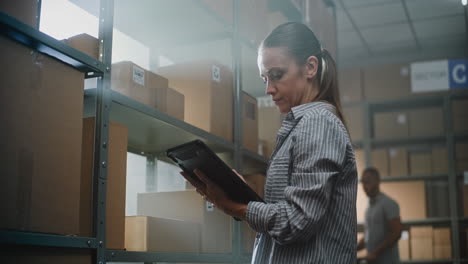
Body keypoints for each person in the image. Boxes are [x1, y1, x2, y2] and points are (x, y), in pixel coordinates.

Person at [181, 22, 357, 263]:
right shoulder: (303, 124)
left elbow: (297, 222)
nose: (269, 89)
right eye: (264, 78)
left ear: (310, 67)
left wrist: (235, 207)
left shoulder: (317, 123)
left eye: (276, 75)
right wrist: (245, 199)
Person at [357, 167, 403, 264]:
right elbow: (367, 237)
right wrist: (353, 250)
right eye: (363, 182)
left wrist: (376, 253)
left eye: (368, 181)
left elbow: (396, 232)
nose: (364, 186)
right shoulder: (369, 208)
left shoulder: (388, 203)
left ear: (377, 181)